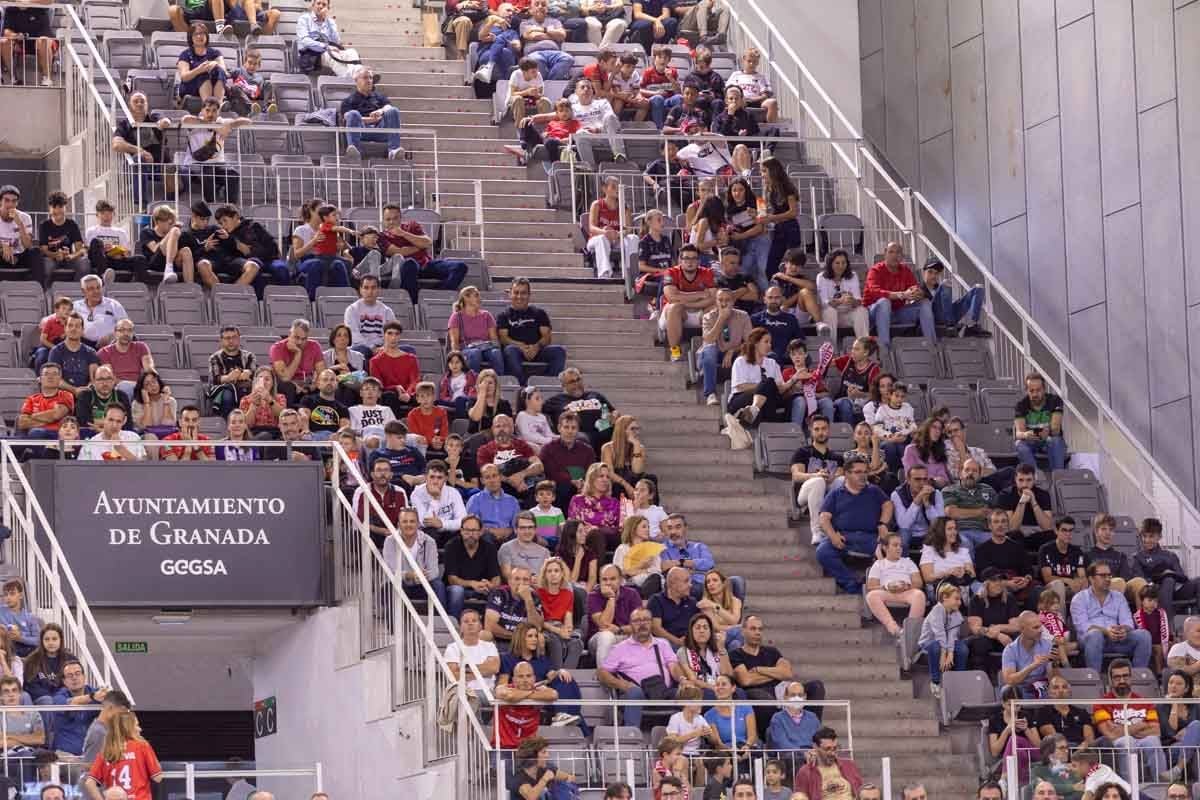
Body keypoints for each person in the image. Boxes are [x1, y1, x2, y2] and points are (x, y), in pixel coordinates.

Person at [815, 454, 894, 595]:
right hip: (845, 537)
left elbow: (888, 505)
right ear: (847, 474)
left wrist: (883, 525)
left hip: (870, 538)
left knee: (900, 547)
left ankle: (892, 584)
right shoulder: (835, 494)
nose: (863, 476)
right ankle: (852, 583)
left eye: (865, 472)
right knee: (823, 552)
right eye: (858, 472)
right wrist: (833, 536)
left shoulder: (874, 491)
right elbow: (823, 517)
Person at [597, 607, 684, 728]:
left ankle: (694, 738)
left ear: (652, 623)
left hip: (663, 691)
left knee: (688, 692)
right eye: (637, 621)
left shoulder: (662, 643)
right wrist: (624, 685)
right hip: (637, 692)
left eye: (646, 620)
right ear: (630, 625)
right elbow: (602, 673)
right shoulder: (620, 648)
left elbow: (674, 667)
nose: (642, 624)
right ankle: (630, 738)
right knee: (635, 692)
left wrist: (683, 680)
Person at [1093, 658, 1167, 781]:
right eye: (1117, 677)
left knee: (1153, 741)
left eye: (1125, 676)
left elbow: (1156, 732)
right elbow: (1111, 734)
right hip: (1120, 743)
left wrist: (1122, 729)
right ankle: (1129, 788)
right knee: (1127, 741)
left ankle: (1162, 785)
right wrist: (1142, 724)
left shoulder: (1145, 702)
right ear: (1110, 680)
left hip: (1143, 741)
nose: (1122, 680)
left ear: (1131, 678)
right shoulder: (1101, 704)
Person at [380, 204, 468, 306]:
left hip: (426, 264)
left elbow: (427, 242)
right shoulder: (382, 236)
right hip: (406, 268)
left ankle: (437, 296)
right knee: (410, 263)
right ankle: (415, 305)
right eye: (388, 219)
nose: (392, 222)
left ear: (401, 218)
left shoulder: (412, 226)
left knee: (460, 267)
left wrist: (403, 233)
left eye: (395, 218)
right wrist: (419, 246)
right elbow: (398, 252)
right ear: (383, 221)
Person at [1072, 562, 1152, 672]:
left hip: (1117, 639)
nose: (1108, 579)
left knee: (1144, 635)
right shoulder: (1079, 598)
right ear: (1091, 578)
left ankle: (1137, 678)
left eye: (1109, 575)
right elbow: (1082, 626)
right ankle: (1095, 680)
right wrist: (1105, 631)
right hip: (1090, 640)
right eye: (1103, 575)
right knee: (1095, 635)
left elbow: (1128, 622)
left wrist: (1123, 629)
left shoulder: (1118, 597)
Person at [730, 615, 825, 704]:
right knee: (761, 696)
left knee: (816, 686)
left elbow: (787, 673)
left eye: (760, 629)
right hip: (757, 695)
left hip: (782, 691)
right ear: (743, 631)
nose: (757, 632)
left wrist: (759, 670)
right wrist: (776, 674)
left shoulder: (772, 651)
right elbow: (746, 680)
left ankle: (811, 720)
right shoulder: (736, 654)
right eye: (753, 629)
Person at [862, 241, 936, 349]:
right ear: (885, 254)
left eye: (898, 253)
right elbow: (874, 291)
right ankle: (884, 348)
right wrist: (901, 295)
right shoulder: (876, 270)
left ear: (902, 256)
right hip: (873, 313)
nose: (894, 256)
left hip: (896, 313)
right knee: (884, 302)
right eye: (891, 252)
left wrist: (917, 293)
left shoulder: (905, 270)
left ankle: (931, 345)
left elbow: (914, 287)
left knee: (925, 303)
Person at [1129, 518, 1200, 628]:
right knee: (1168, 580)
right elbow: (1140, 580)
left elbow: (1183, 577)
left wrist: (1170, 573)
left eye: (1151, 536)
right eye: (1144, 536)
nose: (1147, 540)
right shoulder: (1137, 557)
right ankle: (1167, 627)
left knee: (1197, 581)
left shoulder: (1170, 555)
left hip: (1175, 590)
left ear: (1159, 537)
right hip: (1154, 591)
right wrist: (1161, 577)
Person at [496, 278, 568, 386]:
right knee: (509, 350)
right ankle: (523, 387)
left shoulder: (539, 313)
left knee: (559, 351)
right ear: (510, 294)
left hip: (537, 351)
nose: (519, 296)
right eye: (516, 293)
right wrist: (520, 346)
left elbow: (547, 337)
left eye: (523, 293)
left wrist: (536, 347)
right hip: (516, 351)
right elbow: (503, 338)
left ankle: (546, 385)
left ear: (529, 295)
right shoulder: (503, 315)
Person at [660, 244, 717, 363]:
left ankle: (707, 349)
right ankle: (675, 351)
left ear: (698, 261)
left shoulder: (707, 273)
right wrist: (700, 294)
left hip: (699, 311)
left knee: (714, 307)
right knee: (675, 307)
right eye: (686, 258)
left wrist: (684, 300)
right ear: (680, 260)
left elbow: (712, 298)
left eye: (693, 258)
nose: (690, 262)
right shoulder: (670, 272)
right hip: (674, 314)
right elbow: (671, 297)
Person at [792, 415, 845, 539]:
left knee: (842, 480)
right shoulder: (802, 452)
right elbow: (796, 475)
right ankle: (817, 531)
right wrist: (815, 475)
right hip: (804, 496)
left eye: (824, 429)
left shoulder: (836, 457)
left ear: (829, 430)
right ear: (811, 431)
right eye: (817, 429)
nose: (821, 432)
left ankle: (841, 524)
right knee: (818, 481)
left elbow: (840, 474)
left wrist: (832, 477)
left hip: (827, 495)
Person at [974, 508, 1039, 610]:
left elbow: (1028, 569)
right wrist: (1006, 583)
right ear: (990, 526)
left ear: (1008, 525)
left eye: (1003, 521)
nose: (1000, 525)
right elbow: (983, 576)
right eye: (996, 522)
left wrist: (1026, 579)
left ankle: (1030, 620)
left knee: (1038, 591)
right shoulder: (981, 550)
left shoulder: (1017, 547)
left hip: (1019, 585)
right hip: (996, 586)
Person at [865, 533, 924, 637]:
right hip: (887, 592)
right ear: (885, 547)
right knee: (871, 596)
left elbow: (918, 582)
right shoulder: (879, 564)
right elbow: (871, 586)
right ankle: (895, 629)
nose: (899, 548)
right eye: (895, 545)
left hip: (906, 591)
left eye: (900, 546)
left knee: (919, 595)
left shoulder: (908, 562)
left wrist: (907, 586)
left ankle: (910, 632)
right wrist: (886, 587)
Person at [543, 368, 617, 449]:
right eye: (572, 382)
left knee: (624, 422)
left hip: (602, 429)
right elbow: (534, 409)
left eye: (578, 379)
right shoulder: (556, 400)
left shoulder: (595, 395)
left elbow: (614, 411)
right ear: (564, 385)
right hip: (578, 434)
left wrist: (613, 416)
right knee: (580, 438)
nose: (577, 383)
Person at [340, 70, 403, 161]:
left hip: (380, 130)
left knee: (393, 110)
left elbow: (388, 106)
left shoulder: (379, 97)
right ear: (357, 80)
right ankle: (355, 151)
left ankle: (393, 151)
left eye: (370, 78)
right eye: (365, 77)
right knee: (353, 114)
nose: (369, 80)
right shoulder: (348, 100)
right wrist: (370, 120)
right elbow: (347, 117)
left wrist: (380, 111)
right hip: (361, 131)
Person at [918, 583, 967, 699]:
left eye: (960, 599)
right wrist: (943, 653)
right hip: (929, 643)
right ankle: (935, 681)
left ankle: (958, 680)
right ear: (945, 597)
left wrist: (950, 653)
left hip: (945, 644)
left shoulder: (957, 614)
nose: (959, 603)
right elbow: (939, 633)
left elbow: (952, 636)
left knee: (962, 648)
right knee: (936, 647)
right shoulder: (937, 610)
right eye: (956, 599)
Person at [585, 176, 639, 280]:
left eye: (618, 187)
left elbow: (628, 229)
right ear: (604, 189)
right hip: (596, 239)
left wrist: (618, 234)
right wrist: (605, 232)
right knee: (602, 239)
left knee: (633, 238)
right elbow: (591, 228)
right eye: (613, 187)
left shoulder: (624, 207)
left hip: (616, 239)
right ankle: (605, 273)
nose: (617, 189)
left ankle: (630, 271)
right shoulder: (597, 205)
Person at [942, 458, 999, 553]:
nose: (970, 473)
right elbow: (951, 512)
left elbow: (997, 513)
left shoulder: (988, 490)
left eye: (974, 471)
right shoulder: (950, 490)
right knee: (965, 544)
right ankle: (969, 568)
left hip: (984, 532)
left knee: (999, 541)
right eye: (967, 470)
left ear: (980, 475)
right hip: (960, 532)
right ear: (960, 473)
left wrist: (992, 515)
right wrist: (980, 512)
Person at [1014, 372, 1068, 471]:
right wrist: (1026, 435)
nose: (1035, 394)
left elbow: (1055, 429)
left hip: (1050, 439)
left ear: (1044, 389)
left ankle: (1058, 477)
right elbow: (1018, 433)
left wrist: (1047, 432)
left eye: (1038, 390)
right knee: (1019, 445)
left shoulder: (1054, 400)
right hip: (1031, 441)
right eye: (1031, 391)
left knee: (1055, 440)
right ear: (1027, 391)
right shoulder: (1021, 405)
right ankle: (1036, 477)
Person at [48, 660, 103, 756]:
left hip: (92, 754)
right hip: (65, 755)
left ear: (84, 677)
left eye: (77, 674)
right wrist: (92, 697)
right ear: (64, 681)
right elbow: (72, 703)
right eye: (69, 675)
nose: (74, 678)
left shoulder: (94, 692)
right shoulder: (58, 697)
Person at [921, 256, 987, 336]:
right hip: (934, 319)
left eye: (936, 273)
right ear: (923, 272)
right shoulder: (917, 288)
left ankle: (971, 326)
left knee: (978, 288)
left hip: (949, 316)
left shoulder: (938, 288)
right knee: (946, 284)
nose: (933, 276)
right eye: (930, 272)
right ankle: (950, 326)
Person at [295, 0, 363, 78]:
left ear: (327, 8)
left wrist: (329, 23)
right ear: (313, 5)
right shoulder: (304, 19)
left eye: (324, 5)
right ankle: (353, 80)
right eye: (318, 3)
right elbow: (305, 41)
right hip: (310, 54)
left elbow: (336, 42)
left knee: (351, 52)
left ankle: (360, 77)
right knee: (332, 55)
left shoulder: (330, 22)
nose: (321, 6)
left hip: (329, 50)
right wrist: (326, 47)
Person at [792, 727, 863, 799]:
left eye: (835, 748)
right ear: (815, 747)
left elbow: (862, 791)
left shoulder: (849, 765)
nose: (832, 753)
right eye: (827, 749)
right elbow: (799, 797)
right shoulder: (806, 772)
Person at [269, 319, 326, 406]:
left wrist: (314, 384)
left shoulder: (314, 346)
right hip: (289, 386)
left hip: (308, 385)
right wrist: (298, 354)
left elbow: (322, 372)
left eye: (304, 339)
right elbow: (285, 377)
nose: (300, 342)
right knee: (288, 386)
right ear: (290, 334)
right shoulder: (277, 348)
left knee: (327, 384)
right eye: (296, 337)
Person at [443, 608, 500, 695]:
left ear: (480, 626)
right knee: (469, 699)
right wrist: (484, 672)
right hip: (464, 692)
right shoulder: (452, 648)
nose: (470, 623)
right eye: (466, 621)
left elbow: (493, 668)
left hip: (488, 692)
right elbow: (453, 676)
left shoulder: (490, 646)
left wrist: (464, 668)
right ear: (461, 627)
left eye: (474, 620)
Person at [1000, 610, 1057, 697]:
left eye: (1041, 626)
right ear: (1022, 629)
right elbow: (1009, 680)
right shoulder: (1010, 650)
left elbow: (1052, 678)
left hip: (1042, 688)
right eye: (1035, 628)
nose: (1041, 630)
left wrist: (1054, 663)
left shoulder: (1048, 645)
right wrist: (1033, 666)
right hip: (1020, 690)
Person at [1157, 671, 1200, 782]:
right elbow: (1171, 733)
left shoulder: (1195, 706)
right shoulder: (1161, 706)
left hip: (1192, 748)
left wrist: (1189, 730)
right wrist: (1174, 704)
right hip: (1172, 750)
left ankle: (1177, 771)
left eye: (1179, 683)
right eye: (1171, 683)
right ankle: (1178, 769)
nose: (1173, 686)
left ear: (1186, 688)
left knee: (1196, 728)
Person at [891, 463, 944, 553]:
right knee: (903, 536)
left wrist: (928, 505)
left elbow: (939, 523)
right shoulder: (897, 494)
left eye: (925, 479)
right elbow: (904, 525)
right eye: (917, 479)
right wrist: (918, 500)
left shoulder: (936, 493)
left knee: (942, 534)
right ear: (908, 480)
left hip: (928, 533)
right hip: (908, 533)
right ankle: (902, 566)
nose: (922, 483)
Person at [817, 248, 869, 338]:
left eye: (843, 263)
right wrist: (840, 301)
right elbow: (824, 303)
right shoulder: (821, 277)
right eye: (837, 263)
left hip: (848, 313)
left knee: (862, 311)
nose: (841, 266)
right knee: (830, 312)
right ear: (830, 264)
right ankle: (831, 348)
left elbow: (859, 300)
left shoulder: (853, 276)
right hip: (829, 315)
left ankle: (864, 346)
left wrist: (852, 300)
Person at [704, 673, 758, 759]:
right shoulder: (709, 715)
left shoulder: (745, 707)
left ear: (733, 688)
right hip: (725, 752)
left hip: (745, 747)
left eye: (724, 684)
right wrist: (731, 752)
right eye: (717, 685)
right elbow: (718, 743)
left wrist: (747, 747)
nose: (720, 687)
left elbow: (752, 735)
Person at [39, 193, 89, 283]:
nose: (57, 211)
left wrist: (71, 256)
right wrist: (55, 255)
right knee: (46, 266)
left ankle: (77, 290)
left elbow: (81, 249)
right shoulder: (44, 225)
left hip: (69, 258)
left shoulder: (72, 224)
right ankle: (46, 292)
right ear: (50, 209)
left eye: (60, 207)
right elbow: (43, 250)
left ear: (65, 207)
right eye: (54, 207)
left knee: (84, 264)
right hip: (51, 258)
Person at [175, 23, 227, 110]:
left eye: (202, 33)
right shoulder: (185, 54)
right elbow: (184, 77)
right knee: (203, 74)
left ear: (206, 36)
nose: (199, 36)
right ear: (191, 37)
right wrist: (199, 70)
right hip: (190, 86)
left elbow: (224, 71)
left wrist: (215, 63)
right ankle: (208, 108)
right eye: (196, 34)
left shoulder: (215, 53)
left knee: (220, 71)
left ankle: (218, 106)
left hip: (213, 84)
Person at [1034, 675, 1096, 747]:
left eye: (1064, 687)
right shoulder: (1043, 712)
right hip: (1059, 749)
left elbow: (1089, 739)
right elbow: (1055, 739)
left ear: (1069, 692)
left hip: (1082, 750)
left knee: (1104, 741)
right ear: (1049, 692)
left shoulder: (1082, 712)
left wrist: (1084, 746)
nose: (1061, 690)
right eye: (1056, 688)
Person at [1041, 516, 1088, 610]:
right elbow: (1047, 578)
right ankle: (1061, 622)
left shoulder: (1077, 551)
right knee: (1058, 584)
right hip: (1051, 588)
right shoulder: (1046, 550)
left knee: (1085, 584)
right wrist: (1067, 580)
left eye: (1070, 531)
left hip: (1071, 588)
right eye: (1064, 530)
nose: (1068, 534)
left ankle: (1083, 621)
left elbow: (1082, 574)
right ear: (1056, 531)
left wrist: (1081, 581)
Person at [506, 734, 576, 798]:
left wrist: (565, 786)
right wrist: (544, 779)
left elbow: (570, 777)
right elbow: (531, 797)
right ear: (532, 756)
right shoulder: (519, 778)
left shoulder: (545, 770)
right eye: (544, 752)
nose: (547, 755)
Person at [18, 363, 75, 439]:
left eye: (55, 374)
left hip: (58, 435)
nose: (50, 377)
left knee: (36, 432)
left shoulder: (66, 395)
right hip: (34, 435)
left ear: (60, 379)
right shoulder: (31, 399)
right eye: (46, 374)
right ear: (40, 379)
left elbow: (56, 414)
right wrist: (49, 418)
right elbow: (22, 423)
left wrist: (33, 416)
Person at [48, 313, 100, 396]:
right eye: (70, 325)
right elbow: (55, 379)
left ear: (82, 330)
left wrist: (87, 389)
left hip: (86, 395)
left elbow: (94, 379)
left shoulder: (91, 352)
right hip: (62, 394)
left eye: (77, 326)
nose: (73, 329)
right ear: (65, 328)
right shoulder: (56, 352)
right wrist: (74, 390)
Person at [98, 320, 152, 398]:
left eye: (129, 330)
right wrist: (133, 386)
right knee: (125, 387)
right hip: (116, 388)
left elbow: (149, 369)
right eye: (122, 330)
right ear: (115, 333)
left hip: (139, 387)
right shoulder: (104, 352)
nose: (126, 334)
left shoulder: (141, 347)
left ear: (133, 333)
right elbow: (110, 377)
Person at [75, 366, 132, 436]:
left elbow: (128, 424)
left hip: (118, 437)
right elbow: (83, 422)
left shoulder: (121, 396)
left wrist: (100, 428)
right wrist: (115, 423)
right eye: (101, 379)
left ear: (114, 380)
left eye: (108, 379)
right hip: (91, 437)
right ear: (93, 382)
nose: (105, 383)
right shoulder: (85, 396)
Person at [498, 511, 551, 584]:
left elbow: (548, 576)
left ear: (535, 529)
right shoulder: (506, 548)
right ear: (516, 530)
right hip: (516, 589)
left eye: (530, 527)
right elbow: (507, 575)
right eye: (523, 528)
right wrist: (528, 580)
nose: (527, 531)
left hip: (539, 589)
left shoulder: (545, 552)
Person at [79, 406, 144, 462]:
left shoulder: (133, 438)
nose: (114, 425)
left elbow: (143, 468)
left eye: (118, 421)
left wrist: (121, 449)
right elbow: (82, 471)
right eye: (110, 420)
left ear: (124, 422)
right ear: (103, 418)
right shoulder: (90, 444)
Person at [224, 49, 277, 116]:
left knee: (268, 84)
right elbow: (226, 74)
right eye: (250, 63)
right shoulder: (239, 71)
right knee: (235, 87)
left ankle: (266, 108)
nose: (252, 66)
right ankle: (251, 107)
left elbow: (261, 92)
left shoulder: (260, 78)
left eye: (255, 64)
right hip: (242, 97)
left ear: (259, 66)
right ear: (245, 63)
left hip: (255, 95)